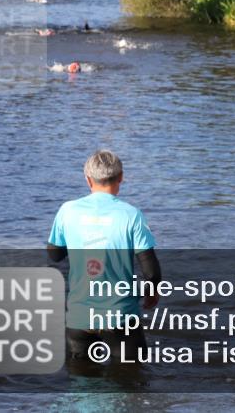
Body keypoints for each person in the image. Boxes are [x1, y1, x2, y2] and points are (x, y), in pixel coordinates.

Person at [47, 150, 161, 363]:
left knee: (83, 387)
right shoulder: (131, 215)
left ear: (88, 179)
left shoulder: (67, 210)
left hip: (79, 318)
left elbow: (55, 255)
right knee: (130, 386)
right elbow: (151, 272)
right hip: (121, 317)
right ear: (121, 177)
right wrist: (152, 292)